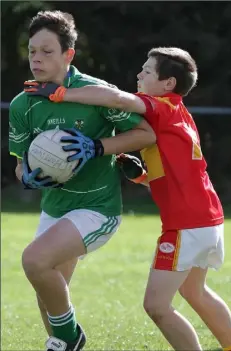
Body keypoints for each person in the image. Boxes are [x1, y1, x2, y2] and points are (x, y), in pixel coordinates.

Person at [25, 47, 231, 351]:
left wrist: (61, 93)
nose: (139, 75)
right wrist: (141, 177)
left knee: (157, 307)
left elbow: (116, 99)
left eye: (147, 71)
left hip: (187, 224)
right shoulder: (180, 114)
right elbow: (176, 178)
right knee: (195, 292)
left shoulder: (160, 107)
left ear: (168, 84)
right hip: (208, 218)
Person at [9, 10, 156, 351]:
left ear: (68, 54)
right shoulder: (24, 104)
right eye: (32, 51)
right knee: (48, 294)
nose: (37, 59)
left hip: (97, 208)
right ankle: (64, 343)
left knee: (34, 260)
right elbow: (20, 165)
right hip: (55, 208)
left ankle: (72, 338)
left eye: (47, 51)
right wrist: (27, 178)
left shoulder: (97, 94)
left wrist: (97, 146)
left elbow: (145, 133)